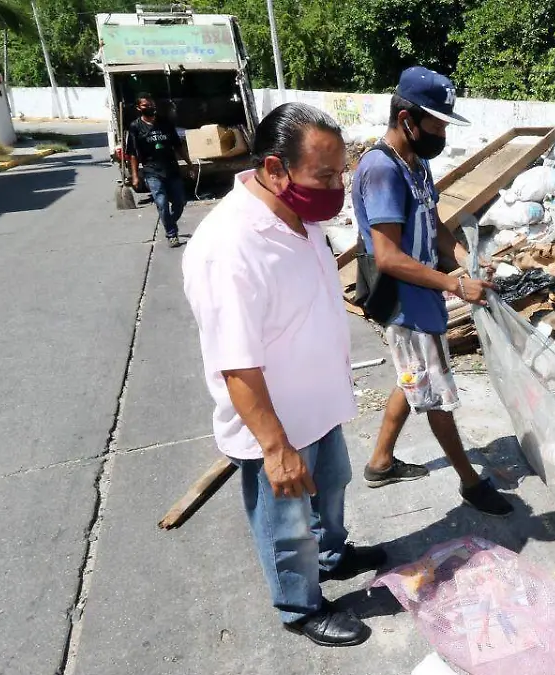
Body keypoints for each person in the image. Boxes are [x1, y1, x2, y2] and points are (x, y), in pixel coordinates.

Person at [182, 102, 385, 647]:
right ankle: (300, 606)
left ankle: (333, 556)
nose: (336, 187)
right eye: (325, 175)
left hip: (319, 405)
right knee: (287, 524)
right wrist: (275, 448)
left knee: (333, 488)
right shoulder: (230, 246)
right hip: (278, 423)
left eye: (340, 172)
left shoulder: (299, 217)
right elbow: (237, 362)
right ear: (274, 169)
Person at [351, 66, 513, 517]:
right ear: (407, 120)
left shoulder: (416, 163)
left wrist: (464, 257)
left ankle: (380, 462)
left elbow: (433, 223)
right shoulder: (381, 170)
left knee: (413, 376)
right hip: (406, 301)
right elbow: (386, 255)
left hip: (423, 293)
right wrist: (455, 284)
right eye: (437, 124)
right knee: (436, 391)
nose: (441, 132)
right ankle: (469, 481)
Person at [126, 95, 190, 248]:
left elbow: (178, 145)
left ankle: (168, 221)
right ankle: (171, 234)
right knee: (161, 202)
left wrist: (189, 163)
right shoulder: (135, 127)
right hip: (152, 171)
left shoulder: (165, 123)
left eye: (151, 104)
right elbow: (133, 153)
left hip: (172, 169)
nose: (149, 107)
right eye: (145, 105)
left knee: (180, 203)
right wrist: (135, 176)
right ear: (138, 108)